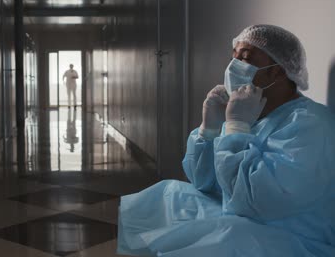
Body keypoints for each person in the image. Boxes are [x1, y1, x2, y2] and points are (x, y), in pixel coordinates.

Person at [117, 25, 335, 256]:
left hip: (292, 237)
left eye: (245, 59)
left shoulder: (310, 125)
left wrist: (236, 127)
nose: (234, 68)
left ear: (278, 72)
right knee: (167, 195)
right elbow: (203, 181)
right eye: (234, 58)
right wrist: (209, 129)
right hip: (245, 217)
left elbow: (257, 200)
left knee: (219, 242)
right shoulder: (252, 110)